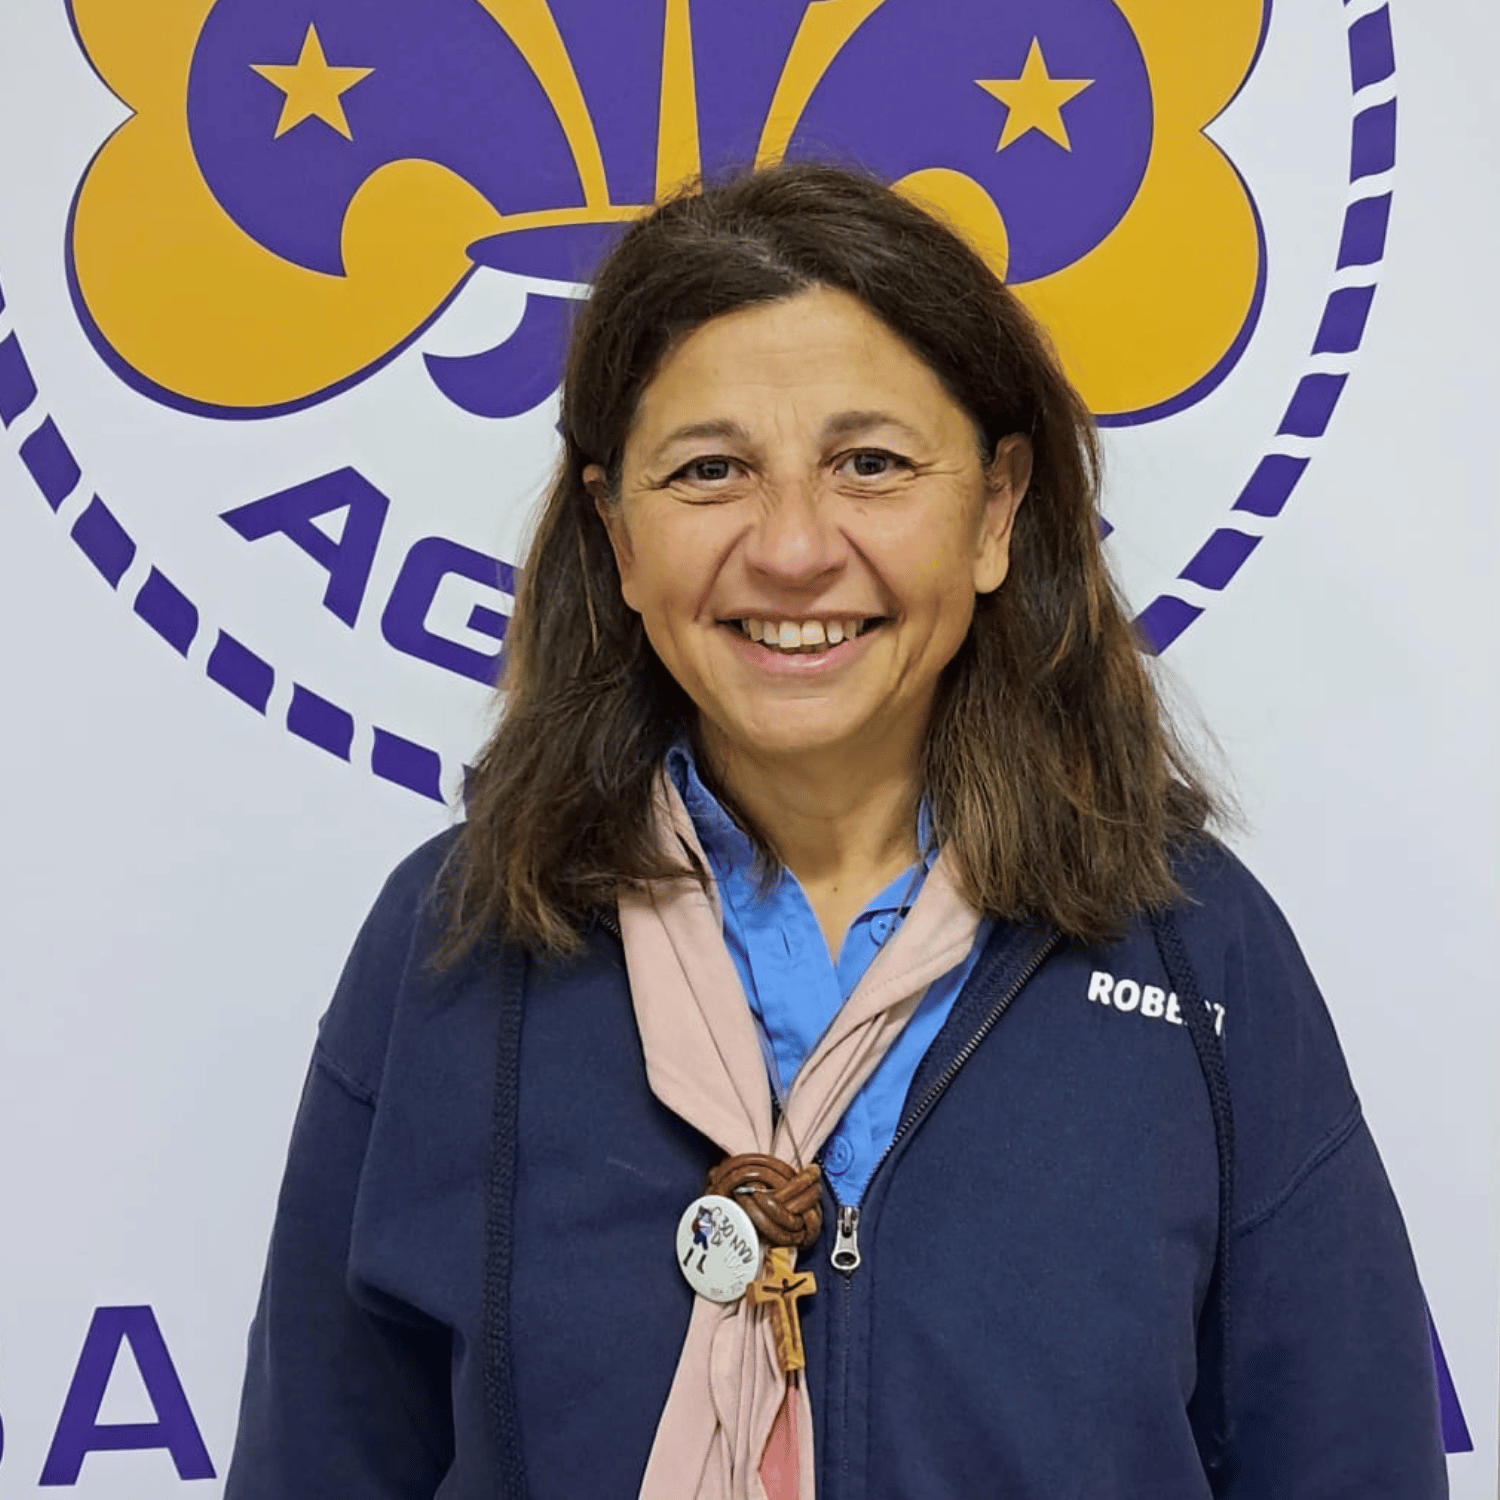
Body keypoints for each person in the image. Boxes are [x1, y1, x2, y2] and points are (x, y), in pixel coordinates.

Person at [224, 162, 1447, 1499]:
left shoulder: (1195, 950)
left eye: (870, 464)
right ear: (617, 536)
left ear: (995, 512)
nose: (795, 548)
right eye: (710, 471)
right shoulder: (454, 941)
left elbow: (1351, 1465)